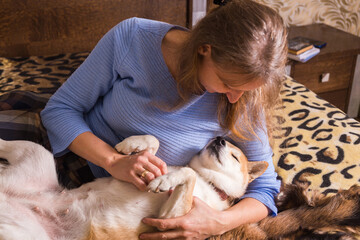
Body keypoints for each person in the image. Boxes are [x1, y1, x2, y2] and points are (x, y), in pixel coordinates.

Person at [41, 0, 288, 239]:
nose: (235, 98)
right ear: (205, 48)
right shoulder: (132, 37)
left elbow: (265, 187)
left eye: (245, 89)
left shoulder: (244, 97)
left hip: (137, 208)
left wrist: (217, 223)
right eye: (227, 83)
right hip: (81, 163)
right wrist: (113, 160)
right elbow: (61, 109)